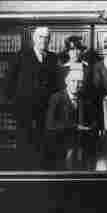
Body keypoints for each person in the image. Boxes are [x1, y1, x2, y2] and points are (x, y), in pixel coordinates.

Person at [5, 26, 60, 169]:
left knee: (43, 142)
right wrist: (14, 103)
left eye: (47, 38)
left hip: (46, 109)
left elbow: (56, 85)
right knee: (24, 141)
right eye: (41, 37)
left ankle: (41, 172)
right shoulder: (21, 55)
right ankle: (24, 173)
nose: (44, 40)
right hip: (24, 109)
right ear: (34, 39)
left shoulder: (53, 58)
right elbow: (8, 82)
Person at [45, 69, 96, 170]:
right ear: (66, 81)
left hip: (82, 145)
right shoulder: (56, 98)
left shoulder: (85, 99)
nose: (76, 85)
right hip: (61, 145)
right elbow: (50, 124)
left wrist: (90, 128)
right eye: (73, 81)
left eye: (80, 82)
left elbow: (93, 122)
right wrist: (75, 127)